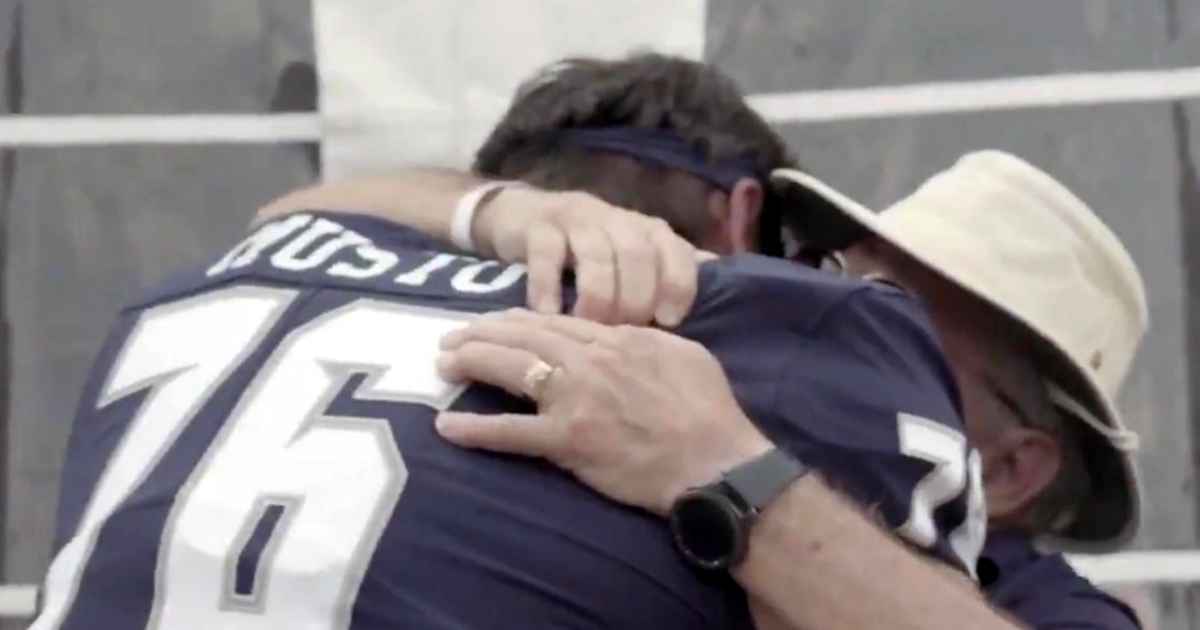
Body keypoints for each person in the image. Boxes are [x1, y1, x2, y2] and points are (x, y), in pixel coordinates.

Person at [30, 54, 977, 630]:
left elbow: (290, 212)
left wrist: (489, 210)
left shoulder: (211, 287)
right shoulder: (776, 325)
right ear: (742, 217)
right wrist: (741, 480)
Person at [261, 57, 1148, 630]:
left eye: (893, 311)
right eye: (827, 270)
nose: (835, 317)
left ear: (1013, 470)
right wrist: (508, 213)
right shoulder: (641, 417)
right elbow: (283, 221)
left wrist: (732, 481)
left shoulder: (1052, 607)